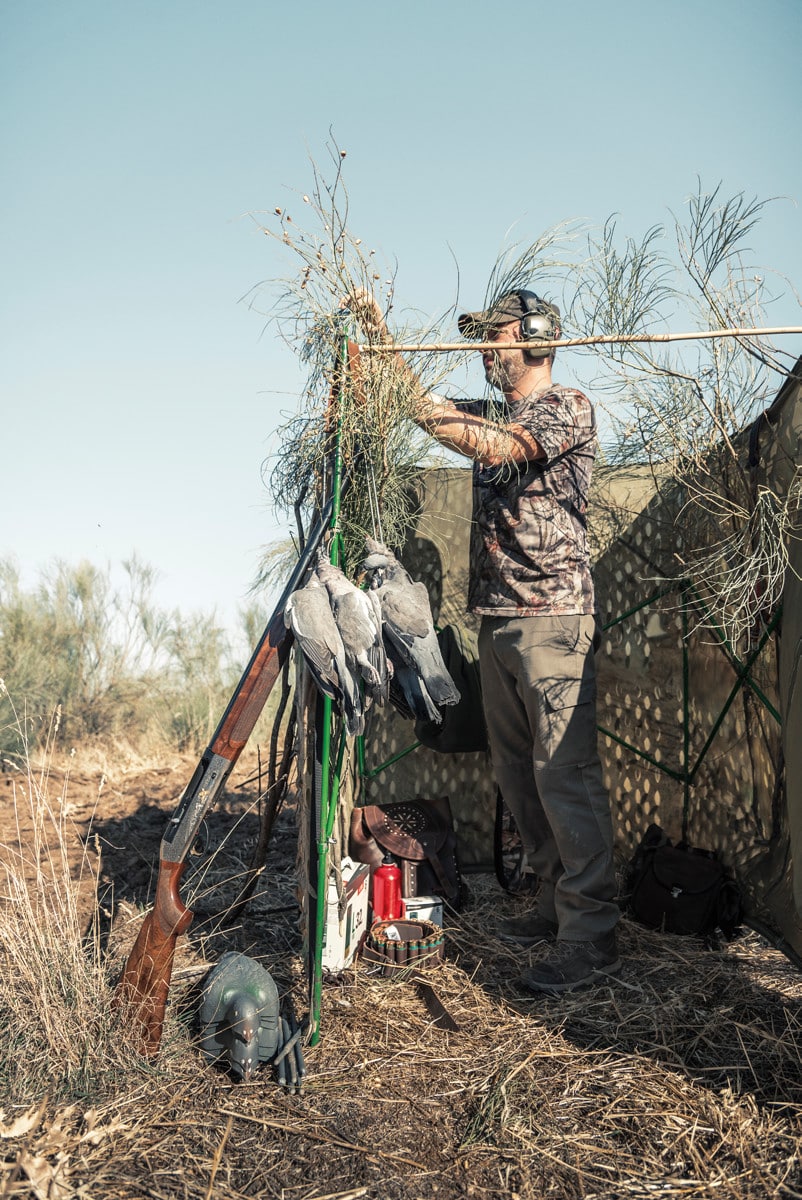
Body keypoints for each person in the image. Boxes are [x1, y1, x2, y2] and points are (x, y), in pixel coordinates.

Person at [350, 287, 620, 993]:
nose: (482, 351)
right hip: (499, 620)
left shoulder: (566, 408)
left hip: (553, 619)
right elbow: (421, 407)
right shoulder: (496, 413)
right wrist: (379, 331)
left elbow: (493, 446)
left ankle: (591, 935)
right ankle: (554, 907)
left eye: (493, 337)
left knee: (565, 774)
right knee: (519, 773)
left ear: (532, 338)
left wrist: (445, 416)